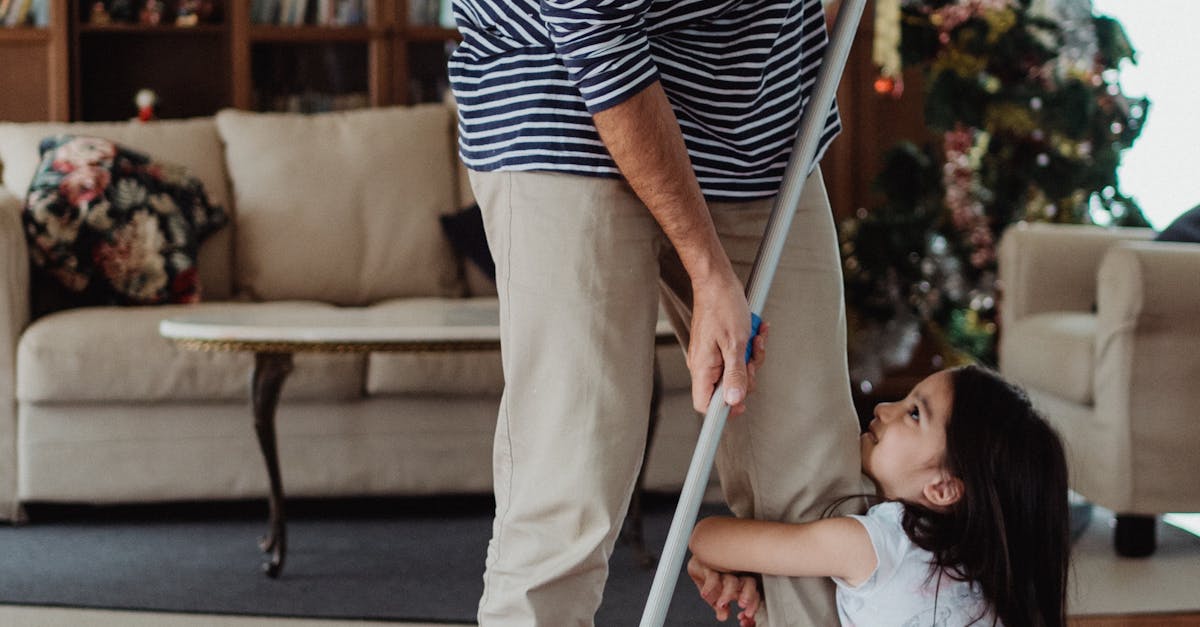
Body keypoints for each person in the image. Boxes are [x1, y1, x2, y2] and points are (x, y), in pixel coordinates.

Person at [448, 1, 865, 624]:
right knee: (572, 475)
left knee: (811, 477)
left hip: (754, 123)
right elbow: (598, 32)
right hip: (562, 97)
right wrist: (706, 267)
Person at [687, 365, 1071, 627]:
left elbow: (705, 538)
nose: (884, 408)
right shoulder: (983, 570)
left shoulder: (875, 546)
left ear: (943, 488)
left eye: (914, 414)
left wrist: (715, 557)